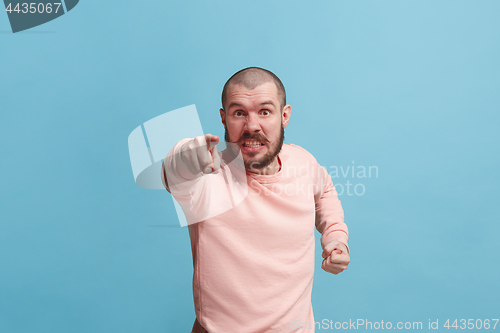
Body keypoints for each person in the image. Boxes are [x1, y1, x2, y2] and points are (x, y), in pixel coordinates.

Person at [161, 67, 350, 333]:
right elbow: (173, 172)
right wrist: (189, 155)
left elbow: (325, 192)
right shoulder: (207, 178)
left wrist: (335, 237)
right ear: (224, 119)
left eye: (264, 111)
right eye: (239, 113)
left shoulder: (303, 162)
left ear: (284, 116)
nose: (252, 126)